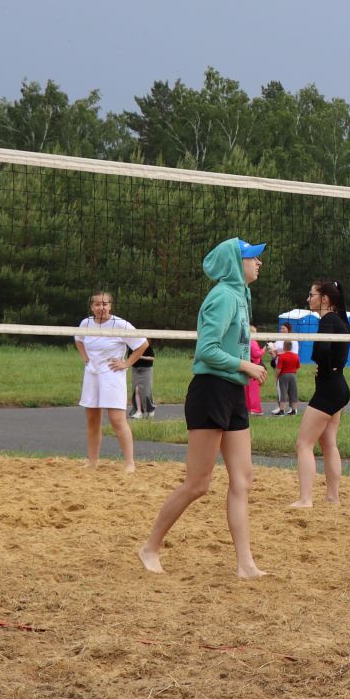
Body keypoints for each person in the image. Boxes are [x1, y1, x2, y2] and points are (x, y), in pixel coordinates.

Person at [138, 238, 269, 579]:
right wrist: (246, 365)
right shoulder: (224, 295)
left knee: (243, 478)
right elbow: (206, 351)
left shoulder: (241, 296)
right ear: (233, 263)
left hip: (234, 391)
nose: (259, 262)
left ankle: (245, 563)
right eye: (252, 257)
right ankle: (150, 547)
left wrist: (246, 367)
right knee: (198, 483)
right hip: (211, 390)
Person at [291, 279, 350, 509]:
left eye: (312, 294)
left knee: (303, 443)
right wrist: (329, 367)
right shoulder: (341, 320)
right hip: (339, 386)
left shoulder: (328, 320)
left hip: (328, 388)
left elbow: (323, 350)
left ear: (324, 299)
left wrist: (324, 368)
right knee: (328, 443)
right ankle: (333, 497)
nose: (308, 299)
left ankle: (306, 499)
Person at [75, 291, 147, 471]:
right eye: (97, 304)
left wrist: (126, 363)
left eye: (105, 304)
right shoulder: (86, 323)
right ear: (92, 306)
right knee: (92, 419)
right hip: (92, 373)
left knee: (116, 419)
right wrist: (85, 358)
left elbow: (142, 345)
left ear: (110, 306)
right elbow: (78, 339)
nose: (101, 307)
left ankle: (130, 463)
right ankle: (92, 461)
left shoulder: (120, 324)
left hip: (112, 374)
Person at [273, 325, 302, 414]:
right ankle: (294, 410)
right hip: (293, 375)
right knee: (293, 392)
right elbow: (298, 366)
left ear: (284, 347)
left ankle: (282, 410)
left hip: (283, 375)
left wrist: (276, 376)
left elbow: (278, 368)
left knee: (283, 392)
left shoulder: (282, 357)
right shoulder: (296, 356)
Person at [128, 342, 156, 419]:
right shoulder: (131, 347)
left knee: (146, 391)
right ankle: (139, 411)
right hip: (135, 370)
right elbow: (130, 357)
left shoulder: (146, 346)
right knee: (136, 390)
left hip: (146, 369)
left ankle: (150, 409)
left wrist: (140, 356)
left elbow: (152, 358)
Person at [244, 337, 266, 416]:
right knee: (254, 391)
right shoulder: (253, 342)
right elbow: (257, 354)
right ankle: (255, 409)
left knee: (246, 389)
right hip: (254, 368)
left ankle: (247, 408)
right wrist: (263, 350)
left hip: (246, 366)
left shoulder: (243, 340)